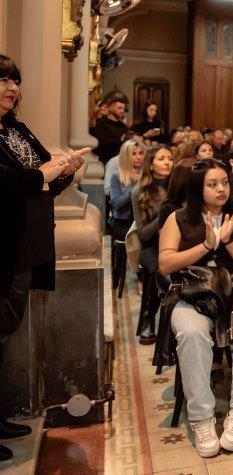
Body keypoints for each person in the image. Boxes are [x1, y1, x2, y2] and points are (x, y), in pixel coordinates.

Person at [0, 56, 88, 460]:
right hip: (3, 242)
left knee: (6, 328)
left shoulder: (16, 128)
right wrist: (48, 173)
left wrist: (68, 167)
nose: (11, 88)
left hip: (24, 246)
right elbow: (13, 182)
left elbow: (46, 176)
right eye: (2, 80)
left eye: (14, 80)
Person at [157, 160, 233, 457]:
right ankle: (202, 418)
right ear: (197, 188)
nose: (221, 189)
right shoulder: (178, 219)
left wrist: (227, 241)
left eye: (225, 183)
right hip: (191, 295)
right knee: (191, 334)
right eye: (212, 184)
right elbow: (165, 263)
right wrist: (207, 245)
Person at [132, 145, 175, 343]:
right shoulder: (140, 191)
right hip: (151, 247)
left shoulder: (177, 187)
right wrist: (164, 216)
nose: (167, 162)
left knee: (161, 270)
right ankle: (150, 319)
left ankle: (155, 320)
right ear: (151, 164)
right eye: (161, 159)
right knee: (159, 268)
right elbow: (143, 234)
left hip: (176, 244)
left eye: (170, 158)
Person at [110, 140, 144, 294]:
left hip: (141, 220)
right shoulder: (117, 177)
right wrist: (135, 189)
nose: (138, 157)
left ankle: (149, 280)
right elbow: (116, 204)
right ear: (125, 156)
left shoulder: (148, 175)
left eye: (141, 153)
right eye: (133, 154)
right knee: (137, 240)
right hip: (123, 222)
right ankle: (141, 279)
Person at [91, 92, 129, 164]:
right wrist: (120, 140)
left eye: (123, 108)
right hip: (107, 161)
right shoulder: (102, 123)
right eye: (119, 108)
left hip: (122, 161)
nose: (122, 111)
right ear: (110, 108)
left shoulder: (123, 126)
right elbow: (101, 143)